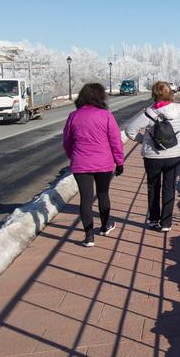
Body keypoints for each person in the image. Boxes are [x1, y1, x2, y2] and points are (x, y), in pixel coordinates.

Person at [62, 83, 125, 247]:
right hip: (103, 163)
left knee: (86, 199)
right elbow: (115, 142)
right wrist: (119, 162)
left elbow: (67, 142)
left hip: (81, 164)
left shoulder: (73, 116)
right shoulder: (106, 116)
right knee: (103, 194)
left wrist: (74, 157)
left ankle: (89, 236)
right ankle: (105, 226)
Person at [125, 81, 180, 232]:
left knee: (153, 187)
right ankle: (166, 223)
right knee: (169, 187)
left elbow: (129, 130)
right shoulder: (178, 109)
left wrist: (142, 139)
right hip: (175, 153)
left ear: (154, 94)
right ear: (170, 93)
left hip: (153, 156)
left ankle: (153, 219)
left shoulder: (148, 113)